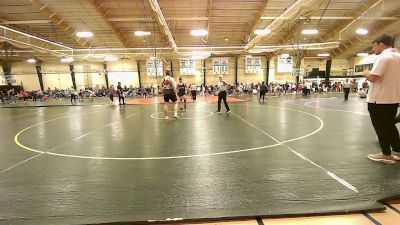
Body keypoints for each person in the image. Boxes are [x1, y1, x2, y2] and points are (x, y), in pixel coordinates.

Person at [363, 34, 400, 164]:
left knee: (381, 127)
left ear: (381, 44)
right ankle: (397, 150)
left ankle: (386, 154)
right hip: (393, 99)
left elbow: (374, 77)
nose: (373, 49)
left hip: (379, 100)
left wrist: (366, 73)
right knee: (390, 126)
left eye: (374, 46)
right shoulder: (398, 56)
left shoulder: (384, 57)